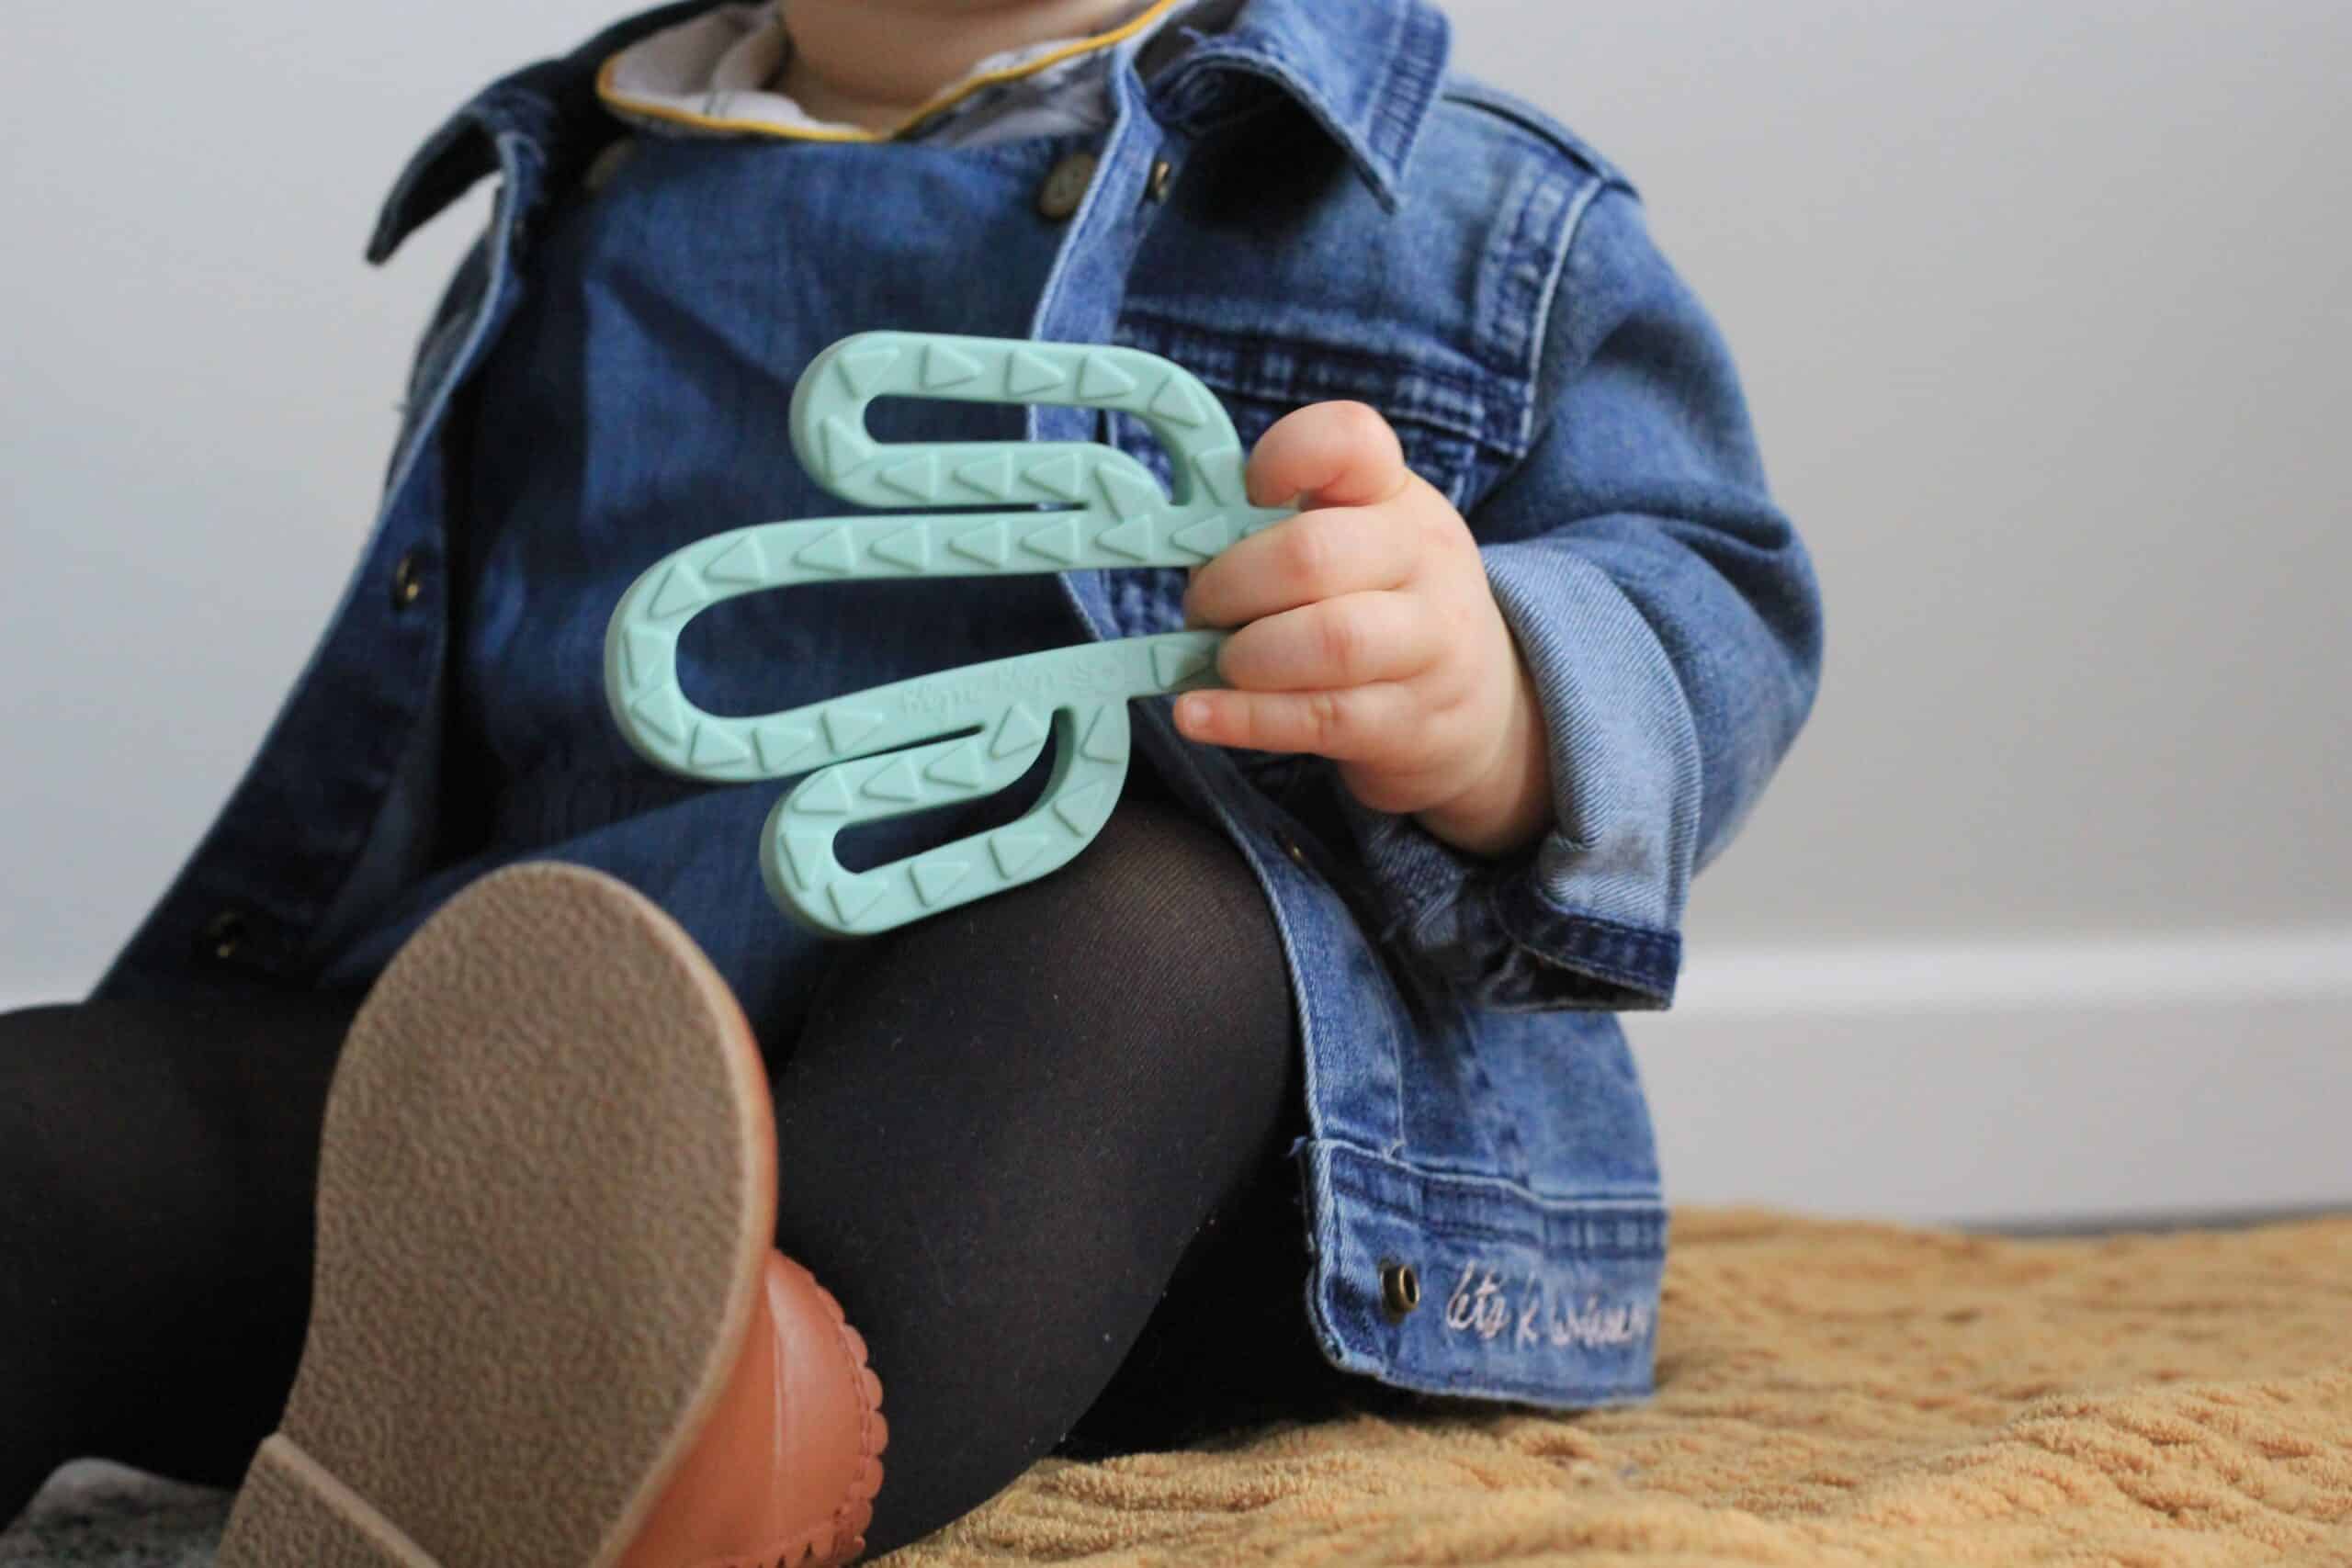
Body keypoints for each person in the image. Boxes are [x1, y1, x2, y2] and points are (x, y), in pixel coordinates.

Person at [0, 0, 1824, 1562]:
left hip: (1127, 1154)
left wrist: (1499, 691)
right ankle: (481, 1350)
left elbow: (1711, 590)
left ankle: (716, 1433)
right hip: (567, 1075)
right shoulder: (580, 196)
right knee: (79, 1128)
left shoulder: (1447, 204)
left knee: (1139, 933)